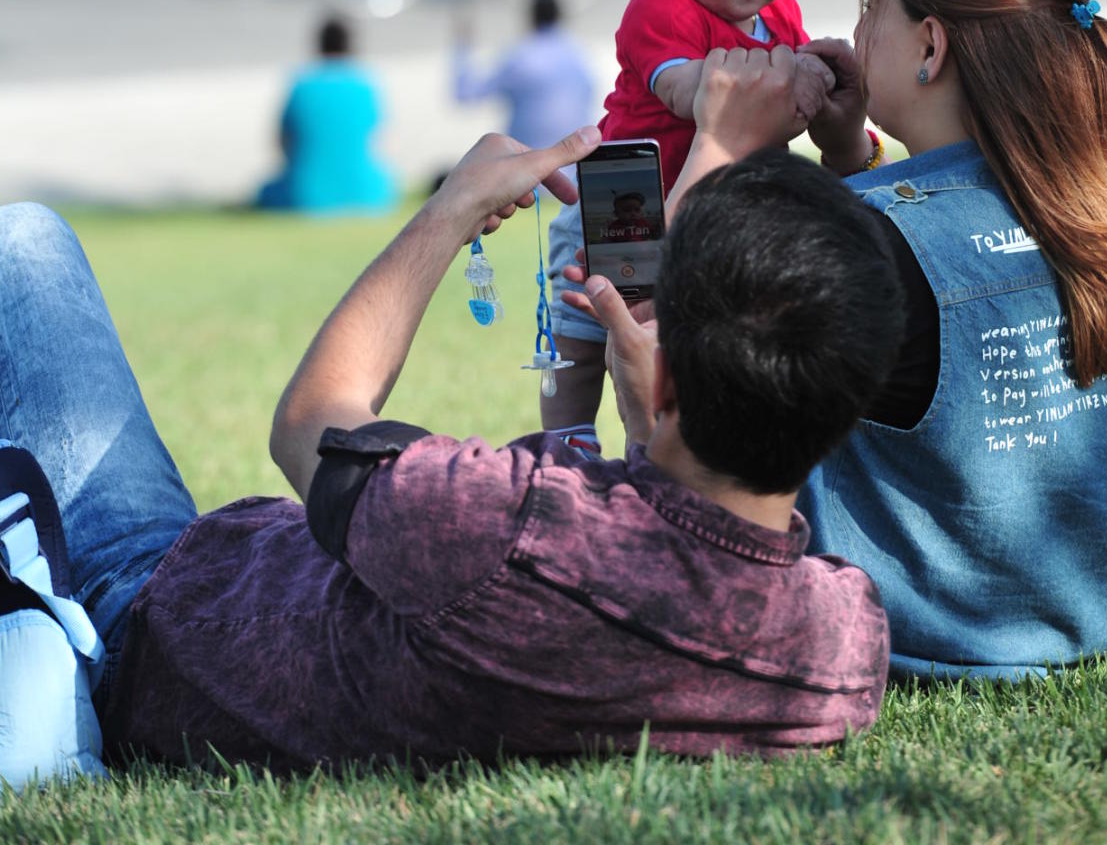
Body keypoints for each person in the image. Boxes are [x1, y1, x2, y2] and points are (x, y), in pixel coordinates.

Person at [0, 123, 904, 768]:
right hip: (222, 608)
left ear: (664, 381)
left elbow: (312, 421)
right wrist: (653, 424)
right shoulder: (840, 644)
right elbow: (682, 559)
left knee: (26, 243)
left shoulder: (508, 525)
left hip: (146, 618)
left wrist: (451, 208)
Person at [657, 0, 1107, 682]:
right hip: (1105, 615)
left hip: (929, 639)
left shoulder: (876, 237)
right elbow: (916, 277)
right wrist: (846, 154)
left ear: (930, 47)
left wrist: (720, 146)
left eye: (873, 5)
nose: (857, 31)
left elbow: (675, 339)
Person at [543, 0, 834, 449]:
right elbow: (685, 93)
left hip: (721, 203)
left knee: (691, 342)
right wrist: (791, 76)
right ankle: (569, 443)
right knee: (591, 335)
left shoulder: (778, 10)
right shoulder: (661, 6)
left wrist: (823, 84)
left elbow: (795, 88)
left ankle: (667, 448)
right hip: (627, 195)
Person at [257, 14, 397, 214]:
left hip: (304, 195)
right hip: (368, 192)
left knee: (267, 190)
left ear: (318, 44)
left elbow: (282, 141)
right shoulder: (365, 85)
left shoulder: (302, 84)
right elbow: (380, 139)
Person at [451, 0, 597, 152]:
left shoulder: (519, 56)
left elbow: (466, 94)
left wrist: (462, 45)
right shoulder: (580, 55)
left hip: (527, 161)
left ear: (531, 17)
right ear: (560, 15)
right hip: (577, 159)